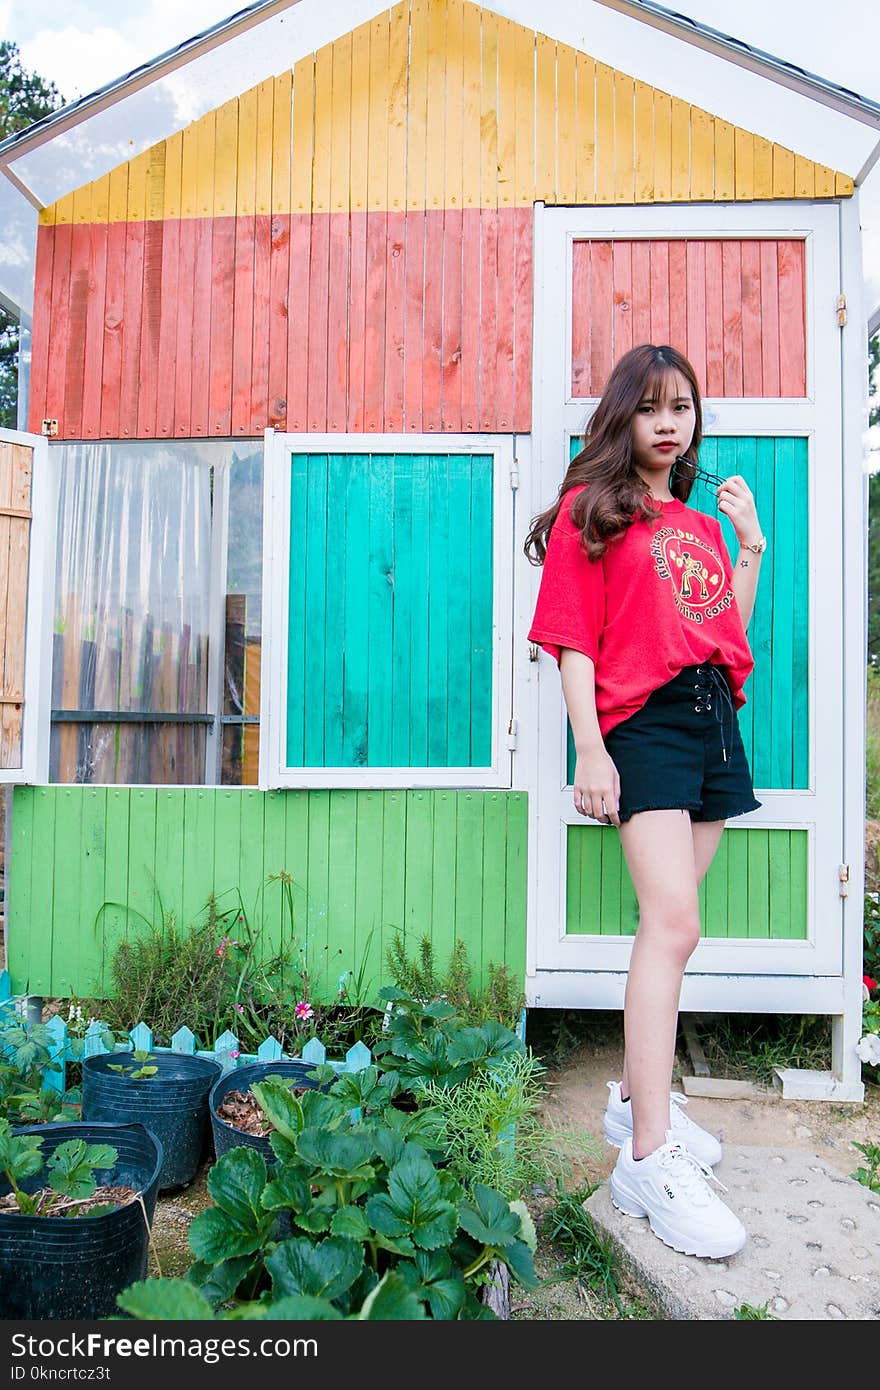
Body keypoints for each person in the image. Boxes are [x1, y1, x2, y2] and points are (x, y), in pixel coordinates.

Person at [525, 343, 765, 1260]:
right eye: (653, 408)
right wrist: (592, 746)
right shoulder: (596, 513)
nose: (671, 423)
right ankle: (650, 1159)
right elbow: (574, 642)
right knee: (675, 926)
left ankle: (633, 1105)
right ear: (625, 417)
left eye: (684, 408)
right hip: (644, 723)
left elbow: (723, 628)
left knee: (669, 924)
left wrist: (748, 546)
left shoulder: (697, 526)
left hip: (708, 716)